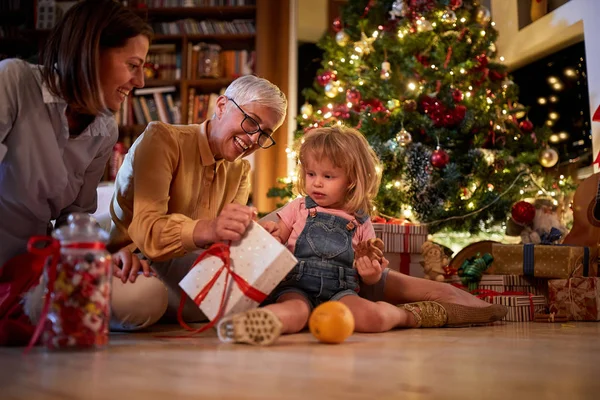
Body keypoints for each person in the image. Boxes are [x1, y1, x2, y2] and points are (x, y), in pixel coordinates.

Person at [217, 127, 505, 346]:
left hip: (341, 291)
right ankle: (254, 325)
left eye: (328, 176)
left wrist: (369, 273)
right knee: (294, 312)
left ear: (352, 179)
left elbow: (371, 274)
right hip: (296, 283)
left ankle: (401, 316)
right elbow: (278, 233)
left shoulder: (360, 222)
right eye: (311, 173)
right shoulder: (299, 207)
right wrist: (271, 233)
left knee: (371, 317)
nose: (316, 183)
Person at [0, 0, 153, 330]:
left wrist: (100, 256)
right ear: (92, 52)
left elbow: (74, 218)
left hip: (33, 268)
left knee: (144, 298)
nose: (139, 81)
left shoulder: (105, 128)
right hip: (13, 268)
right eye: (133, 65)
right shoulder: (14, 79)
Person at [107, 74, 289, 330]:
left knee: (287, 220)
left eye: (264, 134)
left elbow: (225, 245)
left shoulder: (240, 171)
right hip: (138, 260)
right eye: (251, 122)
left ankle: (214, 304)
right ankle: (213, 305)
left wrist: (253, 234)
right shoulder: (162, 139)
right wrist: (212, 229)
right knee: (142, 299)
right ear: (222, 106)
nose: (252, 140)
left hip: (194, 267)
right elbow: (147, 230)